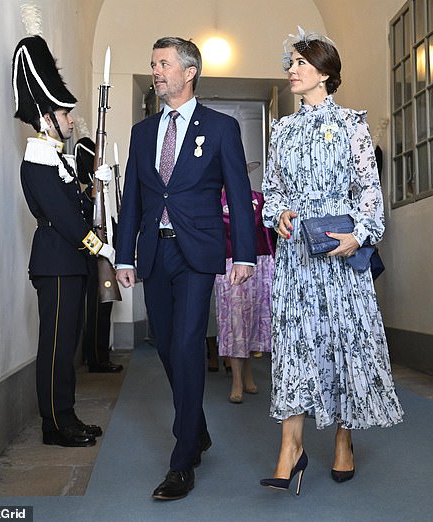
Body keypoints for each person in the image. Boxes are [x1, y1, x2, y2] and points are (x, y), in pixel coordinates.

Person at [260, 28, 404, 494]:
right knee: (294, 347)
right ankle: (291, 448)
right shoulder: (281, 129)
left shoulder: (351, 124)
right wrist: (277, 212)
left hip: (341, 256)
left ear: (324, 73)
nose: (292, 70)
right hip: (295, 260)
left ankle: (344, 437)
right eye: (290, 63)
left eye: (300, 63)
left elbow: (369, 193)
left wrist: (358, 235)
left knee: (343, 346)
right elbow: (274, 191)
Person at [115, 37, 256, 501]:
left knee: (189, 342)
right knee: (166, 346)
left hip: (199, 253)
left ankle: (181, 460)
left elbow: (238, 191)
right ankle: (196, 427)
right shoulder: (142, 132)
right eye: (152, 64)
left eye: (163, 64)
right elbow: (133, 198)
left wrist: (244, 255)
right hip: (155, 252)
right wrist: (124, 254)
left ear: (189, 71)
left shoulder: (219, 128)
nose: (156, 71)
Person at [12, 35, 115, 447]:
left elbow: (74, 208)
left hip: (66, 263)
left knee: (66, 345)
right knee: (56, 347)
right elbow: (63, 220)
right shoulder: (38, 156)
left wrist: (96, 189)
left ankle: (65, 416)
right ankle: (55, 424)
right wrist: (99, 246)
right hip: (56, 261)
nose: (71, 120)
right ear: (47, 117)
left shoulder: (56, 156)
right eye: (65, 114)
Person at [215, 161, 275, 404]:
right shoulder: (215, 202)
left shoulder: (260, 200)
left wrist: (273, 262)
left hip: (259, 263)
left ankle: (249, 371)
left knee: (252, 322)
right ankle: (237, 379)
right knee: (235, 321)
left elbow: (269, 232)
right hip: (229, 265)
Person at [74, 137, 123, 373]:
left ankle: (101, 354)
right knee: (96, 309)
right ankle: (96, 357)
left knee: (104, 308)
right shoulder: (87, 198)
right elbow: (85, 228)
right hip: (93, 258)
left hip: (106, 256)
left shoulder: (101, 197)